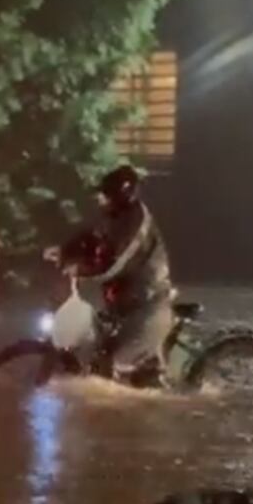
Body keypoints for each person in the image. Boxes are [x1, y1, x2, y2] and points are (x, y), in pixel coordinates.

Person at [45, 165, 174, 386]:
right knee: (97, 356)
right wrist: (65, 251)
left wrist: (82, 270)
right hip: (123, 308)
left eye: (105, 195)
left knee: (109, 374)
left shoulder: (136, 223)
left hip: (148, 308)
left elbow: (117, 263)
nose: (100, 200)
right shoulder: (114, 217)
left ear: (121, 194)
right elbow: (91, 237)